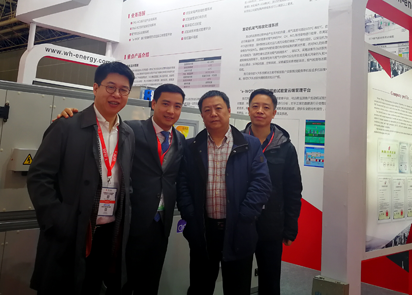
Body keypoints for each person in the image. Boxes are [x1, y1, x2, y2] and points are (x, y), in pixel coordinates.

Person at [56, 84, 187, 295]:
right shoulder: (130, 130)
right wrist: (70, 115)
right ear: (154, 104)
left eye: (177, 106)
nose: (171, 111)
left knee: (151, 281)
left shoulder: (180, 140)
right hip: (131, 222)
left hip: (161, 224)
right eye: (165, 104)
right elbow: (101, 131)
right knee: (121, 283)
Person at [27, 61, 136, 295]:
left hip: (109, 232)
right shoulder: (67, 126)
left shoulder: (128, 134)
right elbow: (39, 176)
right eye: (110, 87)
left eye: (123, 89)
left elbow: (125, 181)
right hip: (72, 230)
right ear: (95, 88)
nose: (117, 94)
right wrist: (58, 220)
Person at [177, 90, 272, 295]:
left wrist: (245, 216)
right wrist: (190, 215)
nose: (213, 113)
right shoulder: (191, 146)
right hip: (203, 230)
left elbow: (262, 183)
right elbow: (183, 184)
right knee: (200, 287)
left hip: (239, 229)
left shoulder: (250, 144)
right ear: (202, 115)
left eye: (218, 108)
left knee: (237, 288)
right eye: (207, 110)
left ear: (228, 110)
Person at [244, 89, 303, 295]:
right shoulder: (236, 142)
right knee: (238, 280)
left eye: (266, 107)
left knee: (270, 281)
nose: (260, 111)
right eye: (255, 106)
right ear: (248, 110)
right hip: (241, 222)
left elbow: (293, 190)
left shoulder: (285, 147)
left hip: (271, 225)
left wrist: (290, 228)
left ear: (274, 113)